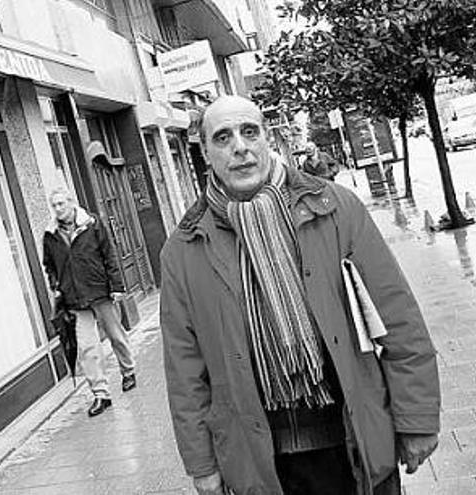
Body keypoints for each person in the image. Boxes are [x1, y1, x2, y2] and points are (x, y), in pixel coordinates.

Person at [160, 96, 439, 494]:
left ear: (267, 138)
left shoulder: (334, 209)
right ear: (205, 153)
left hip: (353, 441)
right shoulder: (183, 251)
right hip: (261, 462)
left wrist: (418, 419)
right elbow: (185, 373)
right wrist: (201, 464)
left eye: (249, 132)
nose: (239, 147)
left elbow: (397, 318)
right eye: (222, 137)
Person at [43, 188, 136, 417]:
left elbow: (109, 254)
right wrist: (57, 286)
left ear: (72, 203)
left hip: (100, 290)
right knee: (87, 347)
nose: (57, 209)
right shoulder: (50, 235)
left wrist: (116, 286)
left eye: (61, 204)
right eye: (54, 205)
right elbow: (49, 265)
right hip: (74, 297)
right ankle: (101, 394)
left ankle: (129, 370)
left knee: (116, 335)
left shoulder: (92, 224)